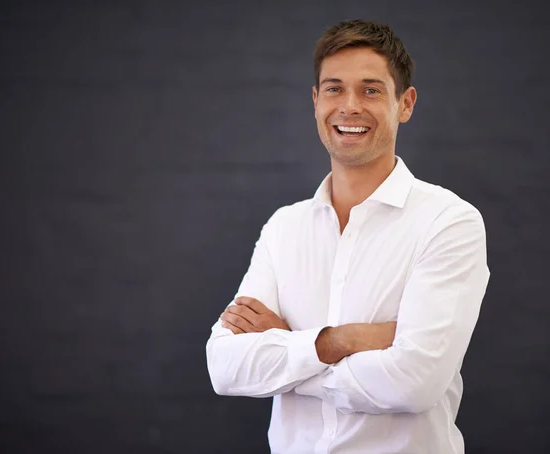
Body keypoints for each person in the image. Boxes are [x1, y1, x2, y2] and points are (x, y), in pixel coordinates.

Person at [206, 19, 490, 454]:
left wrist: (289, 349)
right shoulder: (284, 227)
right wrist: (341, 340)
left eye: (371, 90)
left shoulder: (449, 222)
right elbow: (225, 368)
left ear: (405, 104)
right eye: (334, 89)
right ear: (316, 101)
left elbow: (415, 383)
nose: (350, 106)